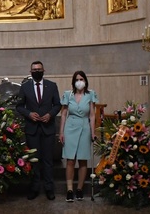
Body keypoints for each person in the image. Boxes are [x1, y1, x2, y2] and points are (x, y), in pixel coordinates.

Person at [15, 61, 61, 200]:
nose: (36, 71)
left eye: (39, 69)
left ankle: (49, 188)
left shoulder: (52, 86)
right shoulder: (25, 87)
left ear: (43, 70)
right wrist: (29, 114)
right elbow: (19, 106)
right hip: (32, 129)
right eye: (34, 69)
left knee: (48, 160)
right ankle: (34, 188)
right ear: (30, 72)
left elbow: (57, 104)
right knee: (34, 161)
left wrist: (50, 114)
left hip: (48, 128)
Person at [59, 71, 98, 202]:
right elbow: (63, 114)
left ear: (85, 81)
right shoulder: (67, 94)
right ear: (73, 81)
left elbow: (92, 115)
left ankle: (80, 189)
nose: (79, 81)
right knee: (70, 160)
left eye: (81, 79)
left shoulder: (90, 94)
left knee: (82, 159)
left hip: (84, 127)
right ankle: (69, 190)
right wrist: (61, 132)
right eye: (77, 79)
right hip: (70, 127)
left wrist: (93, 132)